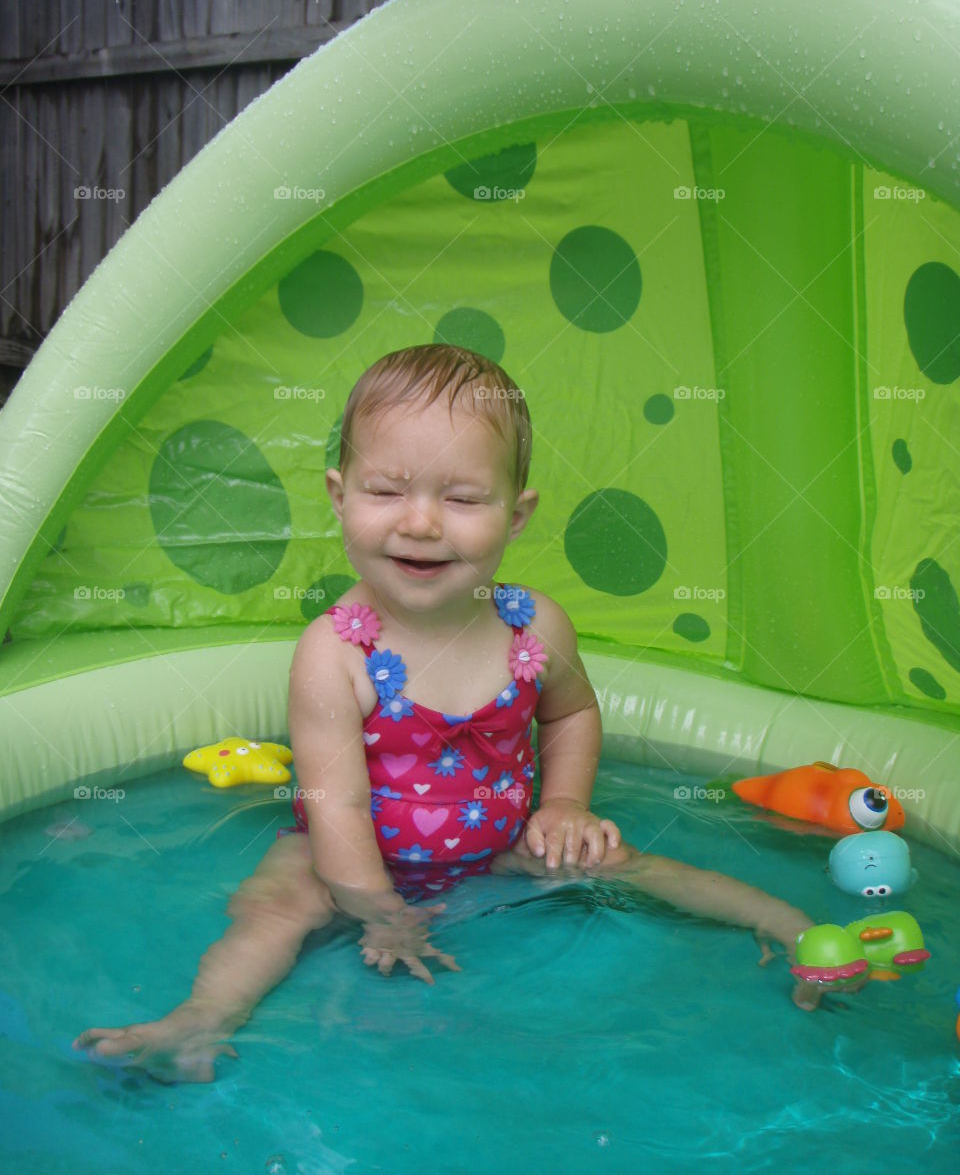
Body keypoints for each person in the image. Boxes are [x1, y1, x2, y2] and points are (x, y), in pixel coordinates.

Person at [73, 344, 841, 1084]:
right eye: (386, 492)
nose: (421, 523)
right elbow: (333, 804)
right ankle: (199, 1020)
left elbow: (570, 715)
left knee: (621, 859)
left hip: (500, 843)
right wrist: (377, 910)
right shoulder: (334, 654)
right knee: (278, 906)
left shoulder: (533, 627)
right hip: (346, 856)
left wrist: (567, 806)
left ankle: (787, 924)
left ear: (516, 514)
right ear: (340, 498)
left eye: (464, 498)